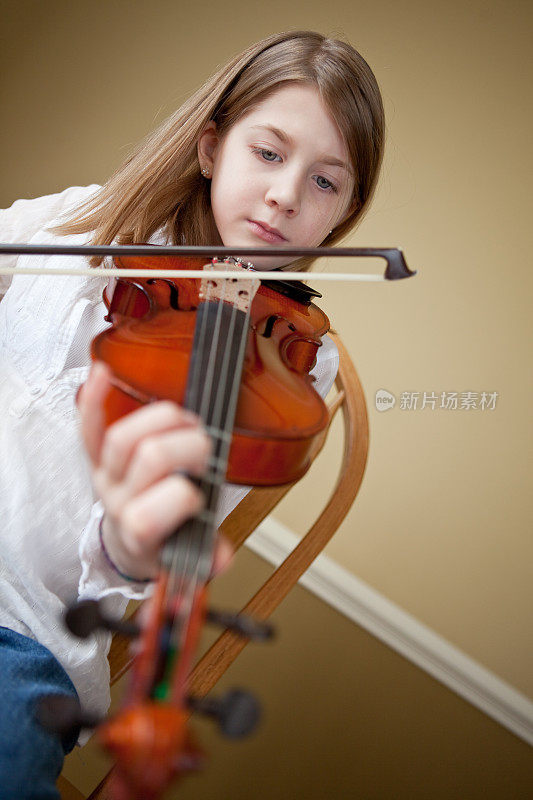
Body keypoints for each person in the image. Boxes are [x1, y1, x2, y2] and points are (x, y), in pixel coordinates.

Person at [0, 30, 384, 798]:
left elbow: (141, 553)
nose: (285, 195)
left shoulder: (288, 358)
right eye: (268, 154)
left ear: (342, 215)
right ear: (211, 147)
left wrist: (134, 534)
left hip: (24, 638)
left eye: (324, 182)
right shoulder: (76, 226)